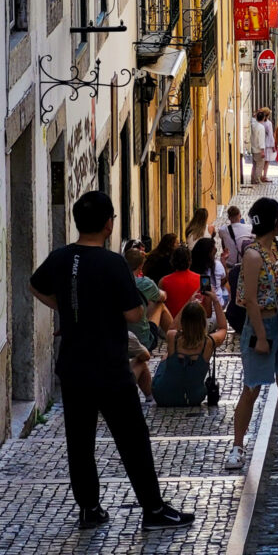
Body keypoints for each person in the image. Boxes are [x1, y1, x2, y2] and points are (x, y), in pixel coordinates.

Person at [30, 190, 194, 531]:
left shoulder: (61, 257)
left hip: (73, 366)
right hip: (108, 365)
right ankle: (152, 509)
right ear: (108, 225)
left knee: (80, 441)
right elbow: (134, 313)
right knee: (133, 438)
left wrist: (67, 308)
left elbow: (35, 285)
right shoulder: (112, 263)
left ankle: (89, 509)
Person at [226, 198, 278, 470]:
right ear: (273, 222)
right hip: (263, 328)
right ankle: (237, 446)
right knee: (252, 388)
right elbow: (250, 301)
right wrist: (260, 336)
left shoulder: (274, 252)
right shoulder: (253, 255)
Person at [152, 294, 228, 407]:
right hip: (193, 398)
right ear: (203, 321)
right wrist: (215, 300)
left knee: (167, 355)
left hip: (162, 395)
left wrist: (189, 301)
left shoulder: (173, 337)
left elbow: (172, 327)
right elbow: (223, 327)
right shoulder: (209, 342)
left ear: (183, 320)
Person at [125, 249, 173, 350]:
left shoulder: (115, 281)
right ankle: (175, 340)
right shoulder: (145, 283)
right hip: (143, 341)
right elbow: (163, 296)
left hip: (121, 339)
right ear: (140, 266)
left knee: (151, 300)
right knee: (160, 304)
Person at [159, 245, 201, 318]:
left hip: (171, 323)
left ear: (172, 261)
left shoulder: (164, 281)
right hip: (195, 323)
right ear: (190, 261)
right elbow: (208, 311)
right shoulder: (200, 279)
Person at [191, 237, 228, 307]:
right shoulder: (217, 265)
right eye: (214, 247)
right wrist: (224, 264)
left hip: (200, 304)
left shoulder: (193, 268)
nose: (216, 249)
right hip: (216, 305)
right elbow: (223, 281)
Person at [219, 206, 253, 270]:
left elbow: (222, 240)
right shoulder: (249, 228)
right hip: (244, 265)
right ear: (240, 216)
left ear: (229, 218)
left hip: (230, 266)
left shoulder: (223, 230)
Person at [128, 332, 153, 403]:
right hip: (113, 385)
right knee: (140, 362)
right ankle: (150, 396)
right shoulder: (125, 335)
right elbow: (146, 356)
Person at [250, 110, 266, 185]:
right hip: (259, 149)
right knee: (260, 165)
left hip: (253, 147)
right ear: (263, 118)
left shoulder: (253, 125)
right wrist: (262, 150)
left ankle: (253, 178)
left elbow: (252, 119)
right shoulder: (261, 127)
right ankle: (257, 179)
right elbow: (261, 139)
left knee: (254, 165)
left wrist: (254, 115)